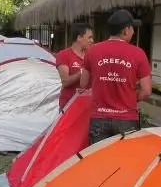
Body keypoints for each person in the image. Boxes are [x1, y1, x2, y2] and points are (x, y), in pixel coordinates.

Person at [79, 9, 152, 144]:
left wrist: (102, 82)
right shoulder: (138, 53)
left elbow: (84, 84)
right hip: (127, 120)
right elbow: (147, 91)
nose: (133, 32)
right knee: (124, 162)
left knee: (99, 160)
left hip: (99, 119)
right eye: (132, 29)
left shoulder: (92, 51)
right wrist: (132, 97)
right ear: (126, 30)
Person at [55, 23, 93, 110]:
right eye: (89, 37)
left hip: (87, 104)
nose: (92, 40)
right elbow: (65, 81)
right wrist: (83, 71)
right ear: (79, 37)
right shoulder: (64, 55)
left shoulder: (91, 54)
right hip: (69, 104)